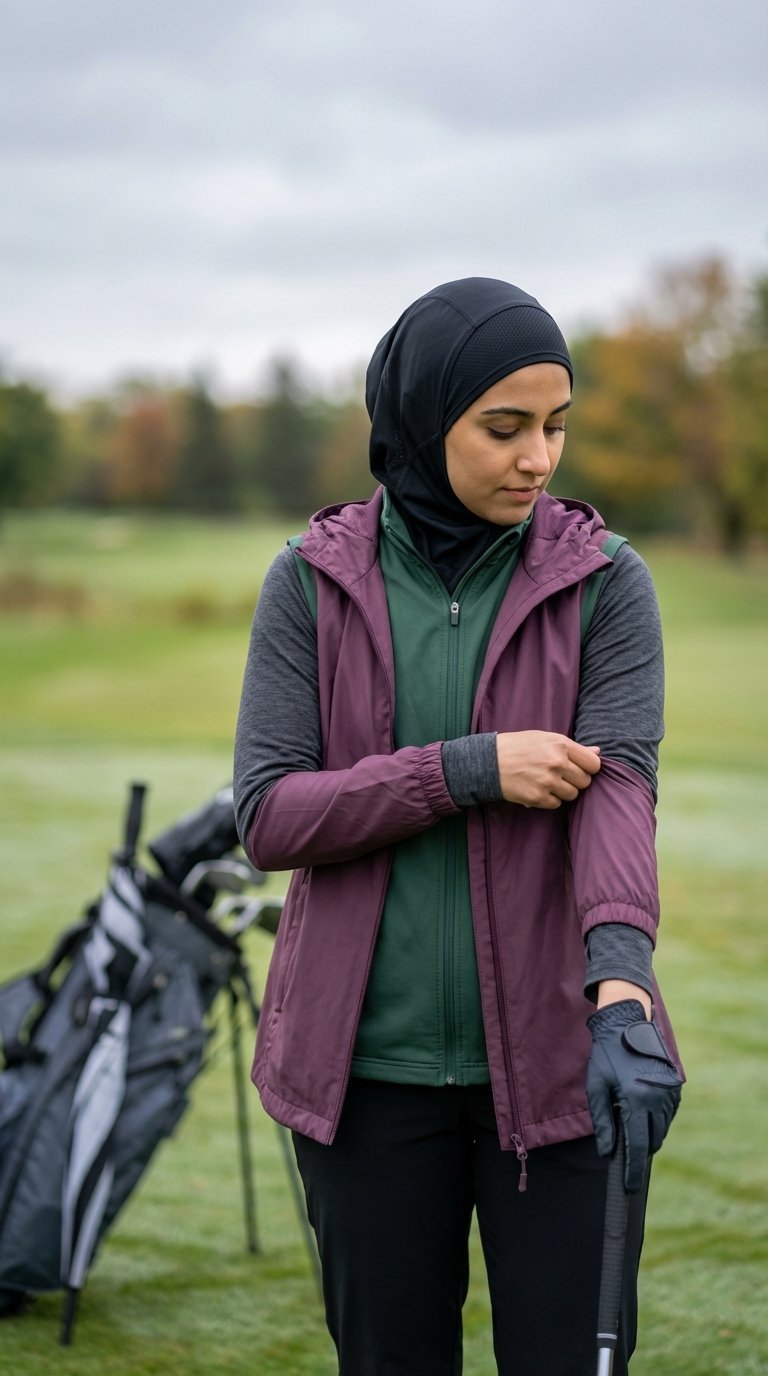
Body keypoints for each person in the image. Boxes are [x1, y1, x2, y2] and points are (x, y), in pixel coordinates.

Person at [233, 276, 683, 1376]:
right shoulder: (307, 584)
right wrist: (465, 769)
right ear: (423, 421)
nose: (540, 458)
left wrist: (621, 990)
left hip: (561, 1070)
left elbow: (619, 790)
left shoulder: (608, 585)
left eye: (557, 426)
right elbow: (271, 813)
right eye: (506, 427)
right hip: (362, 1083)